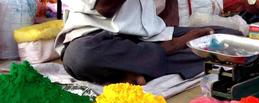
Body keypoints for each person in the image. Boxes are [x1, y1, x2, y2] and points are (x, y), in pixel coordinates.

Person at [55, 0, 240, 85]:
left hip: (148, 37)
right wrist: (176, 44)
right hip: (97, 37)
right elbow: (105, 8)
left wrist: (173, 34)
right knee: (80, 56)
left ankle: (130, 71)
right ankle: (150, 61)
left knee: (230, 38)